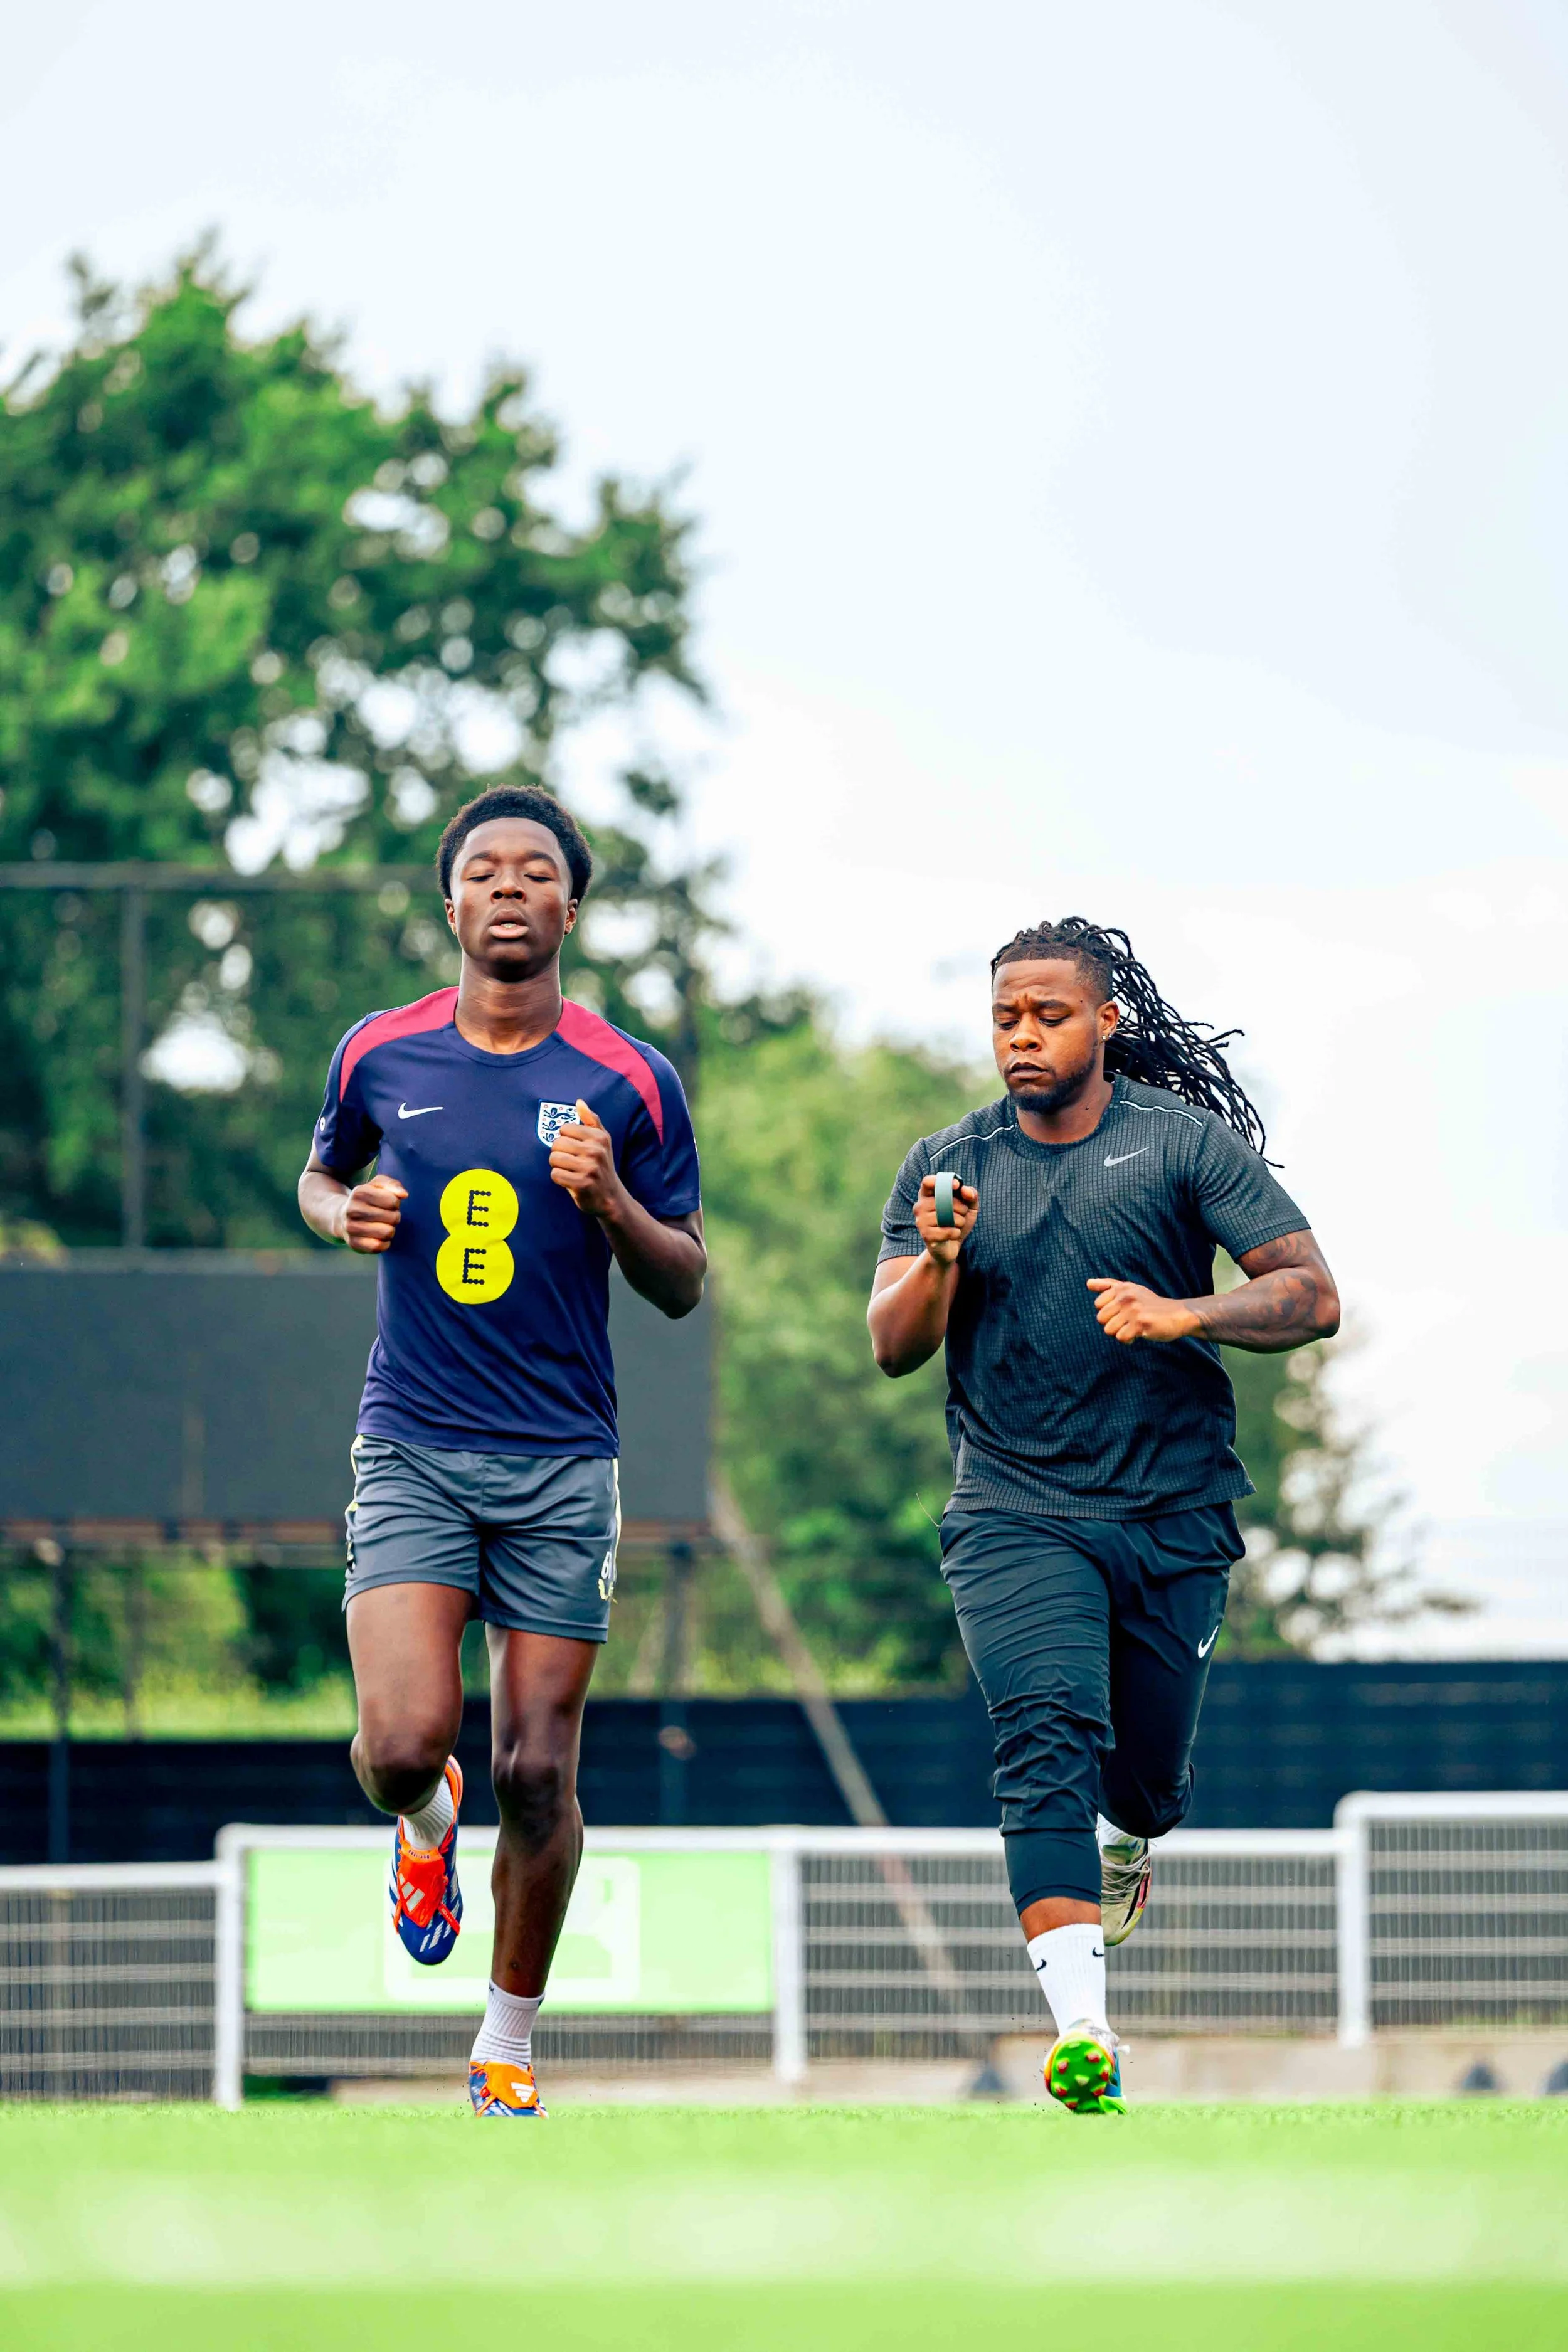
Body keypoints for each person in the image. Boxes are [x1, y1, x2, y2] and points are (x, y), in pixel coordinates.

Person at [867, 918, 1338, 2115]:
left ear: (1105, 1019)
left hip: (1174, 1511)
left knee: (1146, 1782)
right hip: (1014, 1510)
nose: (1024, 1036)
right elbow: (891, 1345)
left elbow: (1311, 1294)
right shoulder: (948, 1166)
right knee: (1042, 1736)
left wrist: (1188, 1314)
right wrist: (938, 1260)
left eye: (1050, 1014)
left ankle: (1133, 1843)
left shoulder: (1181, 1145)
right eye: (1005, 1017)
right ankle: (1086, 2030)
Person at [298, 783, 704, 2119]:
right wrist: (338, 1208)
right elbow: (320, 1175)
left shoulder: (629, 1077)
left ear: (570, 908)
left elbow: (684, 1277)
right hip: (411, 1443)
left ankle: (507, 2045)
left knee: (540, 1771)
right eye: (486, 870)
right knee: (404, 1743)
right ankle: (423, 1832)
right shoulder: (378, 1054)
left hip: (559, 1466)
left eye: (538, 871)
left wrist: (612, 1199)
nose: (511, 887)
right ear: (452, 902)